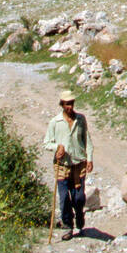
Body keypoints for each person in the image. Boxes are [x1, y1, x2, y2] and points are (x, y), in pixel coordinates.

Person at [44, 91, 94, 240]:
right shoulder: (55, 122)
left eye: (71, 103)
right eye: (67, 104)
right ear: (62, 104)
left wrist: (90, 159)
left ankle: (79, 218)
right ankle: (67, 226)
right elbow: (46, 142)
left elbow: (87, 140)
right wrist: (56, 147)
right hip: (62, 165)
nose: (70, 107)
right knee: (64, 197)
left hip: (79, 164)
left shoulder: (80, 119)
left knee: (79, 198)